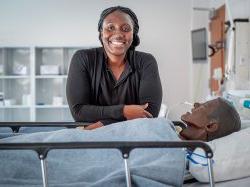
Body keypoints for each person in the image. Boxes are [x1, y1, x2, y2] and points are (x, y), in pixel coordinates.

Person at [66, 6, 162, 130]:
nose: (118, 34)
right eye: (110, 27)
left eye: (126, 28)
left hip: (133, 135)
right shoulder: (82, 58)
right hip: (91, 137)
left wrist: (105, 124)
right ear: (101, 32)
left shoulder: (146, 61)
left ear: (133, 34)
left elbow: (149, 113)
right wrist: (124, 111)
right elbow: (79, 112)